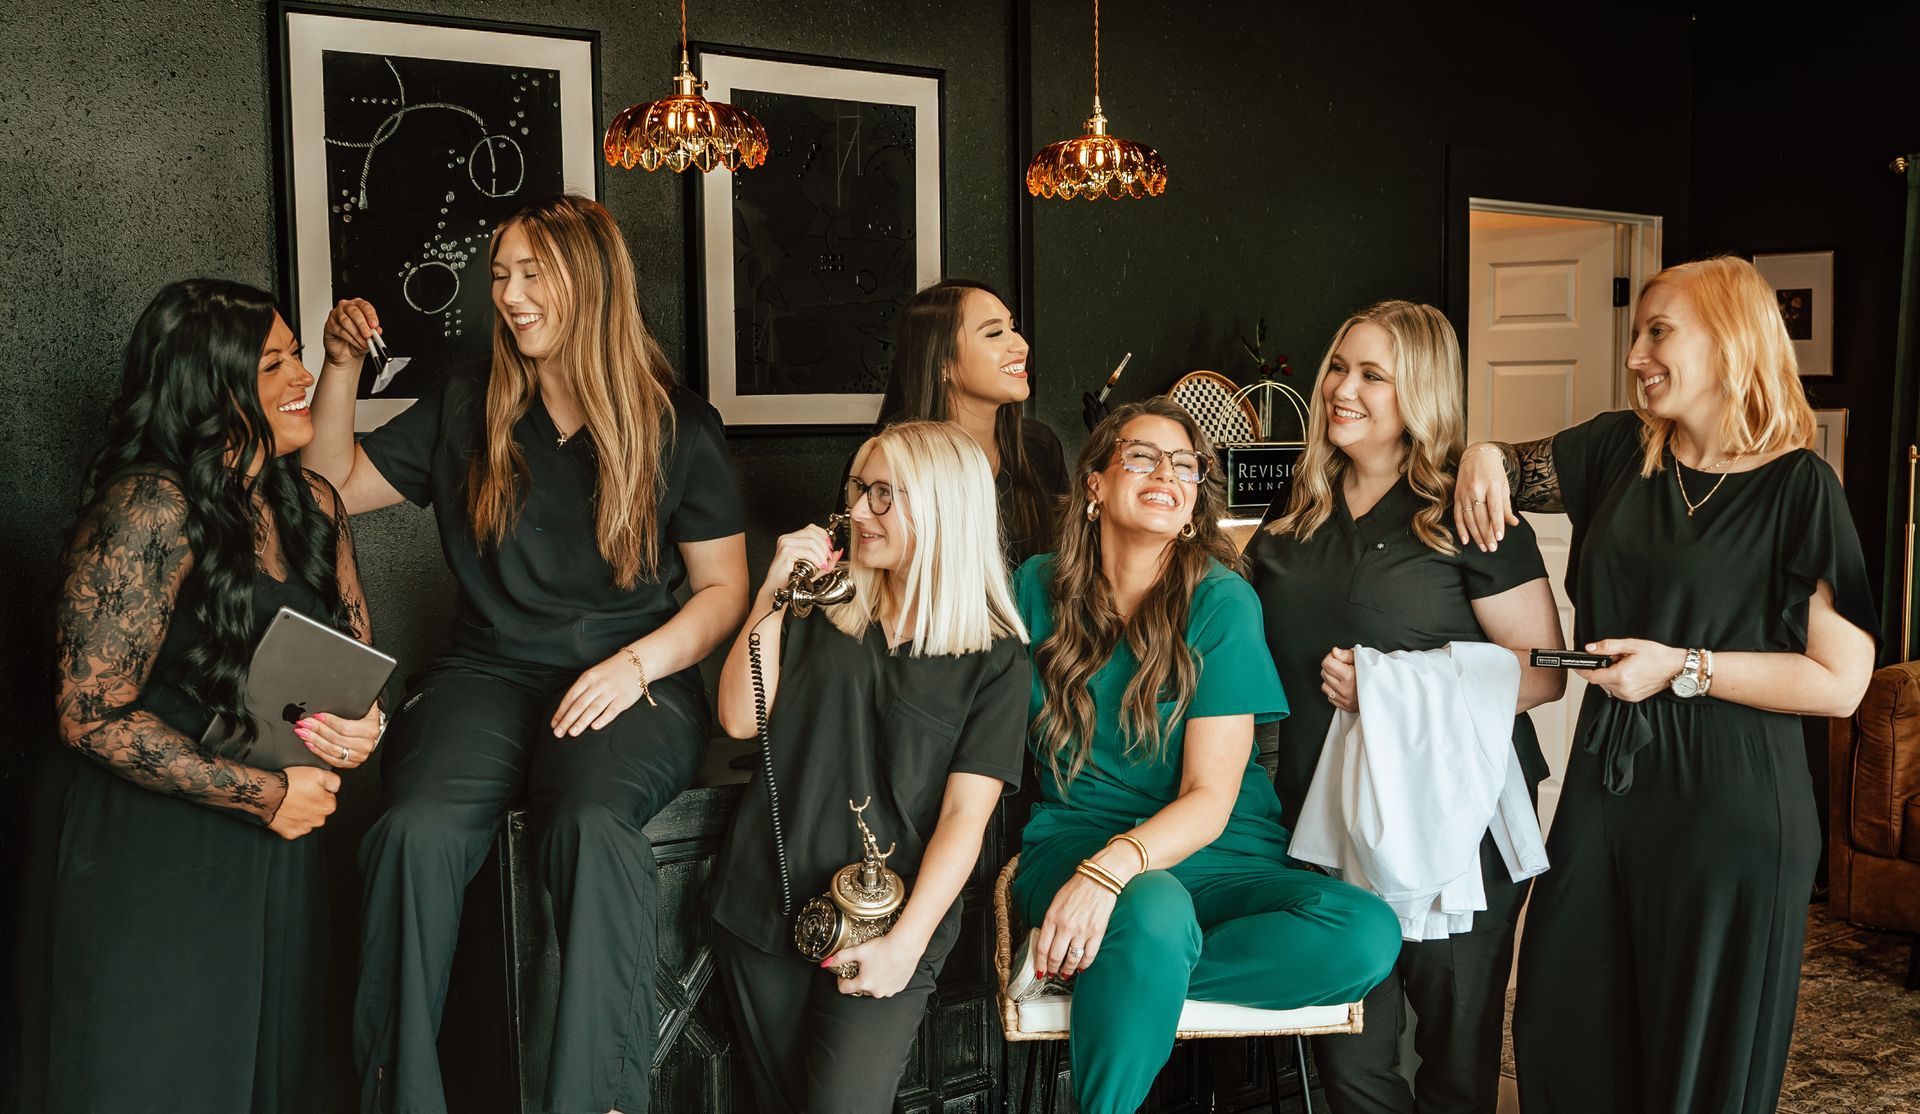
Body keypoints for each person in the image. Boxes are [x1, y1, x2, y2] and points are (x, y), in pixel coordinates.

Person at [305, 193, 750, 1114]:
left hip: (636, 677)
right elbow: (333, 483)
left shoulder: (678, 424)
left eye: (532, 273)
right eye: (500, 274)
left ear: (590, 283)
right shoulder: (468, 401)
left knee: (591, 829)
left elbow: (724, 593)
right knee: (413, 834)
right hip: (487, 673)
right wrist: (341, 366)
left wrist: (637, 667)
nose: (509, 294)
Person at [1452, 255, 1877, 1114]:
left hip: (1734, 804)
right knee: (1564, 1014)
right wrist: (1479, 455)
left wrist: (1684, 666)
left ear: (1729, 343)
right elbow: (1502, 467)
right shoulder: (1616, 450)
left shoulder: (1801, 488)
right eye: (1635, 333)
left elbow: (1841, 682)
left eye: (1658, 332)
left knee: (1698, 1051)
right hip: (1610, 790)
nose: (1636, 354)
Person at [12, 279, 382, 1113]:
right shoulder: (148, 506)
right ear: (210, 389)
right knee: (156, 1071)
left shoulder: (315, 505)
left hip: (279, 842)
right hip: (151, 844)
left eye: (298, 357)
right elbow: (88, 714)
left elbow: (358, 663)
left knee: (272, 1081)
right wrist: (264, 796)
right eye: (275, 363)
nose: (301, 379)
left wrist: (365, 728)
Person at [1011, 397, 1402, 1114]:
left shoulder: (1220, 601)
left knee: (1367, 933)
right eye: (1141, 455)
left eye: (1185, 464)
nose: (1166, 472)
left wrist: (1117, 880)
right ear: (1095, 482)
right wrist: (1103, 874)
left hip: (1222, 850)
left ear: (1194, 504)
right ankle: (1134, 960)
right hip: (1075, 846)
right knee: (1152, 906)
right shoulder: (1033, 589)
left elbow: (1210, 797)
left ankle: (1120, 965)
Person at [1243, 300, 1565, 1114]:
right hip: (1321, 820)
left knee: (1455, 1065)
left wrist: (1391, 682)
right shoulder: (1300, 502)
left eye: (1372, 375)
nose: (1342, 389)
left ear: (1416, 390)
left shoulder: (1469, 512)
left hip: (1456, 829)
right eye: (1339, 369)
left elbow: (1545, 672)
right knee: (1352, 1064)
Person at [707, 420, 1031, 1113]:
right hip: (764, 906)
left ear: (943, 506)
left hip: (891, 928)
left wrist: (906, 945)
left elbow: (964, 817)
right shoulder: (819, 600)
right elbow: (739, 714)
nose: (857, 511)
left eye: (884, 495)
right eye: (859, 490)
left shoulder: (997, 658)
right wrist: (771, 590)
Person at [875, 279, 1069, 565]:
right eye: (994, 333)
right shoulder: (888, 459)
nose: (1021, 345)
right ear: (942, 363)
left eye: (1013, 328)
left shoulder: (1038, 447)